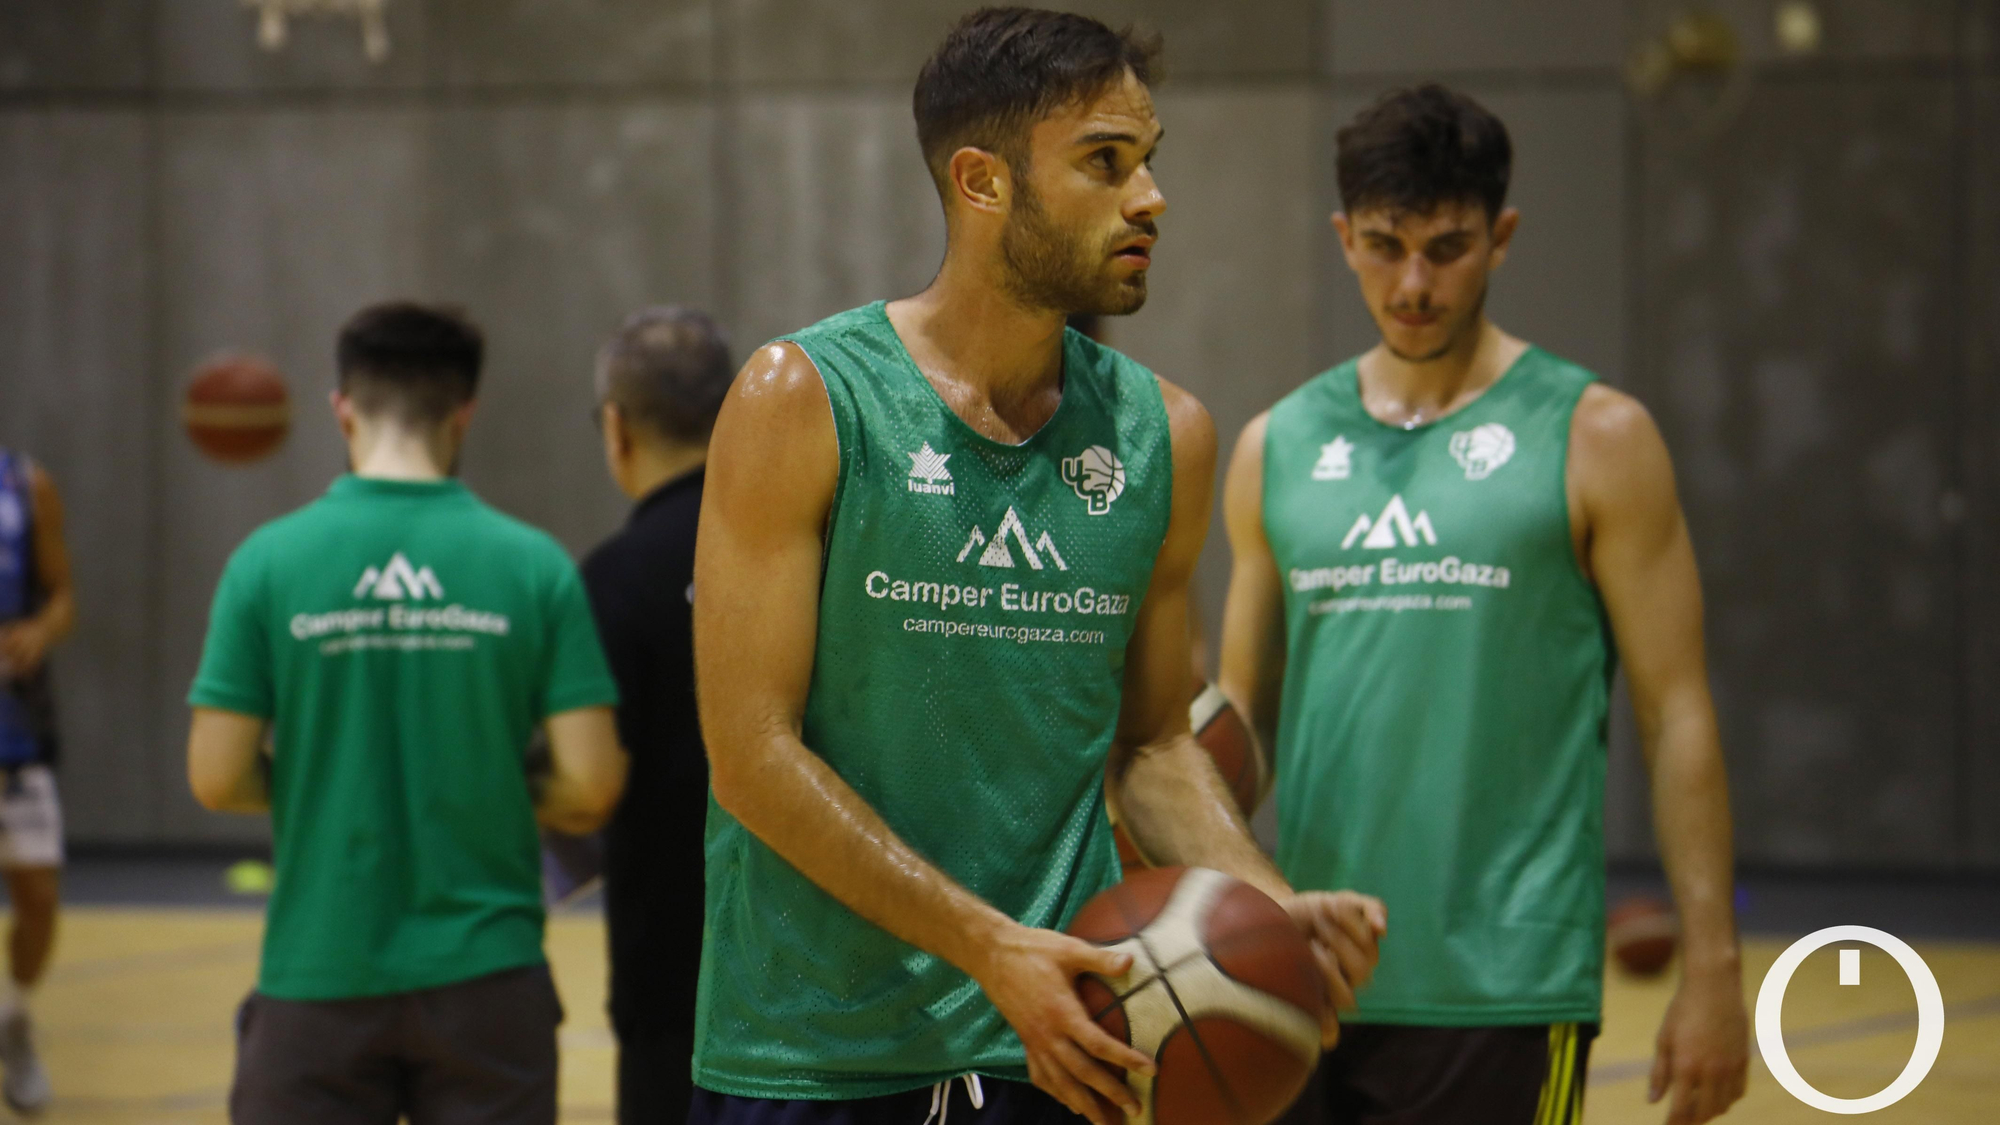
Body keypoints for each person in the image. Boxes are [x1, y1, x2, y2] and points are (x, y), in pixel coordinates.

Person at [690, 10, 1386, 1125]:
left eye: (1148, 160)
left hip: (1066, 1051)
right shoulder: (805, 400)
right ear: (981, 183)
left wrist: (1259, 903)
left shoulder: (1167, 435)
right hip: (813, 1056)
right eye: (1105, 164)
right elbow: (750, 756)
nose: (1149, 198)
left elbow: (1153, 739)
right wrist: (987, 946)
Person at [1220, 85, 1749, 1125]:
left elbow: (1675, 712)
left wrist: (1712, 970)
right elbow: (1239, 721)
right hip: (1298, 973)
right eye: (1381, 245)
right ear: (1341, 237)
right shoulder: (1273, 445)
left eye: (1446, 247)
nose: (1411, 282)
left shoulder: (1596, 435)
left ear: (1499, 236)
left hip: (1500, 985)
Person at [185, 301, 627, 1125]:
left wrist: (320, 782)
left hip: (318, 980)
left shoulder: (266, 562)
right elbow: (593, 784)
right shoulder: (534, 565)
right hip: (488, 981)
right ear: (465, 413)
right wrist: (490, 783)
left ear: (340, 407)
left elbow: (215, 777)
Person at [578, 306, 734, 1125]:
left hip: (665, 963)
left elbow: (589, 781)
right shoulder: (814, 545)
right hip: (806, 964)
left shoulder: (615, 575)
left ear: (617, 427)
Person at [0, 448, 75, 1115]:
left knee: (40, 899)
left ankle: (14, 1016)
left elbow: (63, 597)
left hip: (16, 729)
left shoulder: (27, 484)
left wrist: (39, 629)